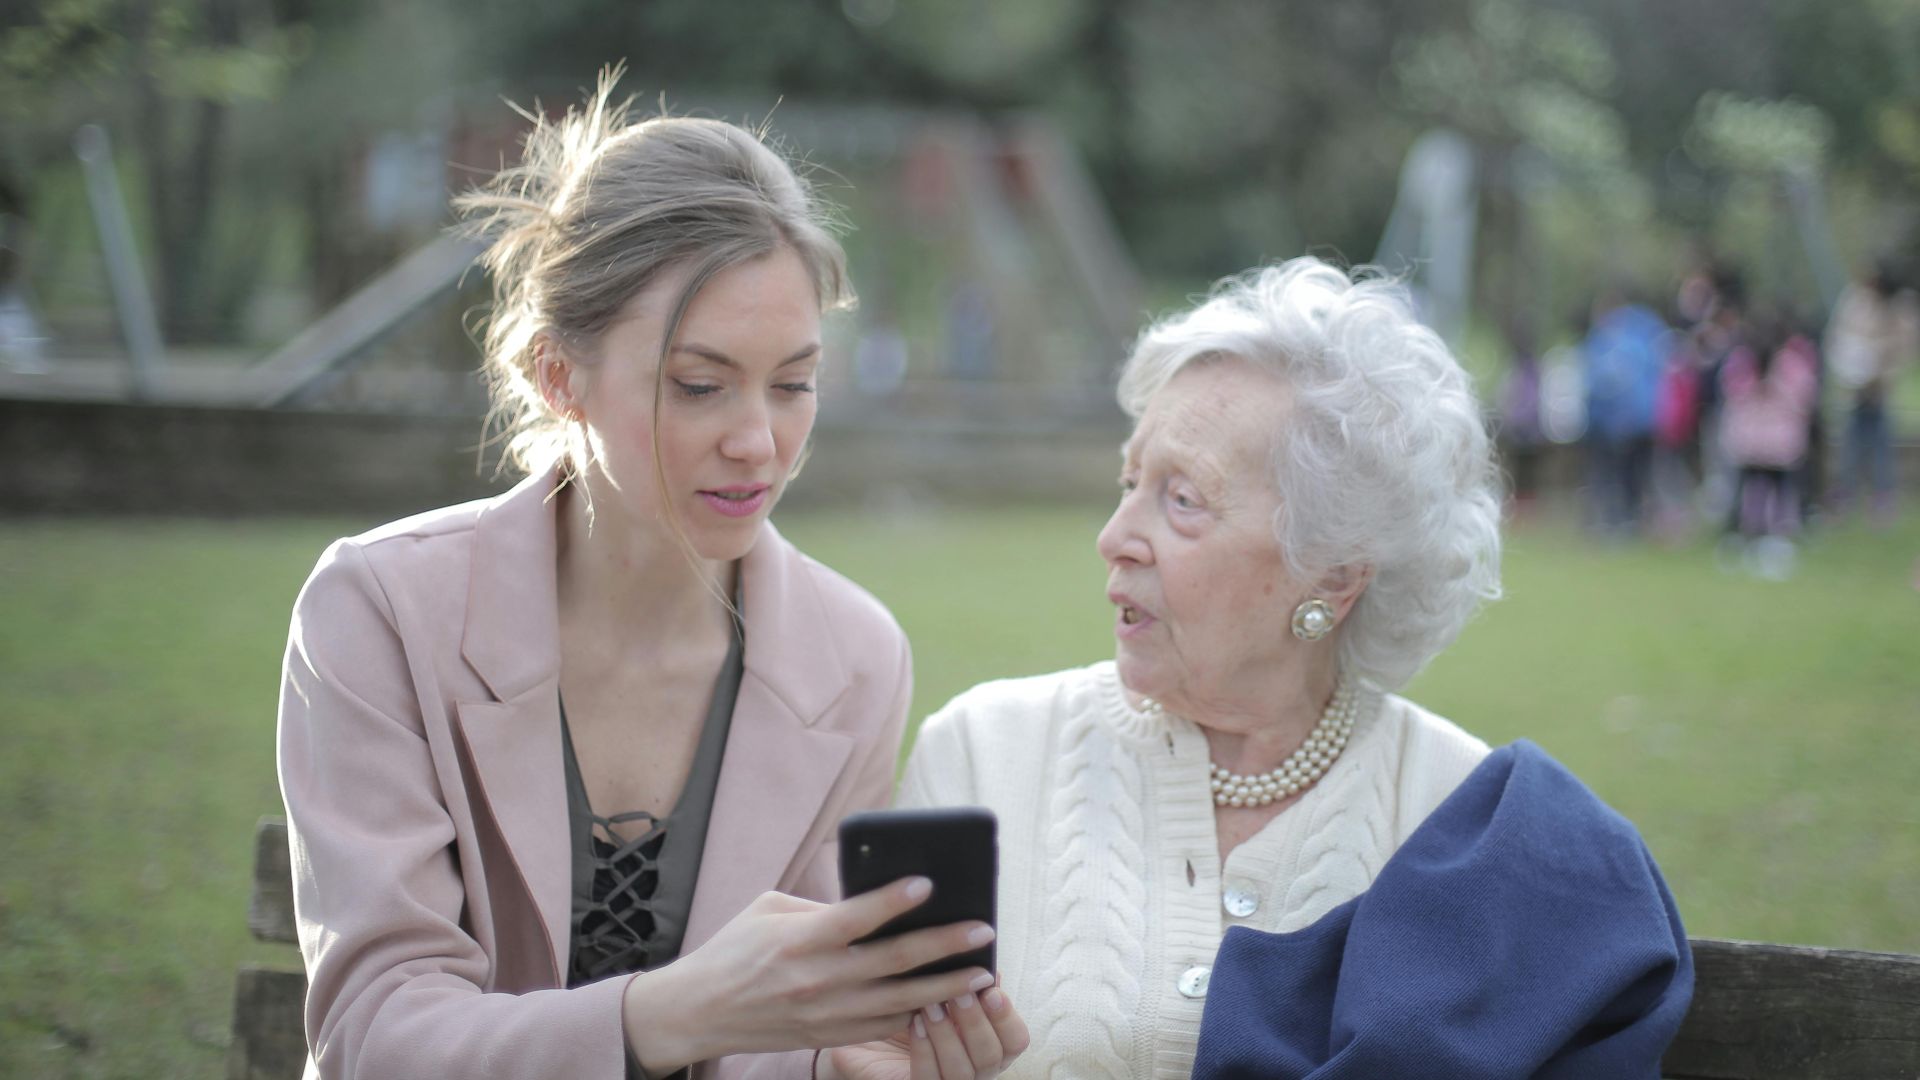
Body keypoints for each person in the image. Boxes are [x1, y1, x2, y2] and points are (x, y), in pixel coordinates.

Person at [277, 70, 1026, 1080]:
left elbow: (787, 1041)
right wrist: (664, 1016)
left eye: (796, 384)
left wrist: (836, 1068)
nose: (759, 443)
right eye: (701, 386)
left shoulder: (853, 658)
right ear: (558, 376)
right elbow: (373, 1040)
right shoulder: (377, 612)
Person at [896, 258, 1693, 1078]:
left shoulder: (1463, 820)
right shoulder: (981, 755)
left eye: (1182, 499)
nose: (1115, 535)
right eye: (1130, 480)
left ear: (1334, 577)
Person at [1824, 259, 1919, 522]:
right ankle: (1845, 492)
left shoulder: (1901, 307)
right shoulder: (1856, 300)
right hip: (1854, 384)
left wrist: (1881, 372)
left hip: (1882, 387)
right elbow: (1840, 337)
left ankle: (1883, 497)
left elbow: (1905, 349)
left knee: (1881, 442)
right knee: (1850, 441)